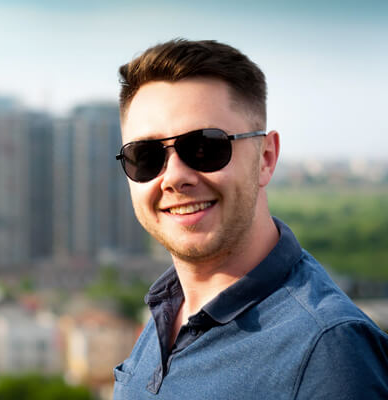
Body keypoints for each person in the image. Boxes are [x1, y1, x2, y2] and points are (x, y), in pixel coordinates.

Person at [113, 39, 388, 399]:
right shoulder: (168, 313)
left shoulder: (328, 350)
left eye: (205, 147)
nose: (174, 176)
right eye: (146, 155)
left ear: (266, 157)